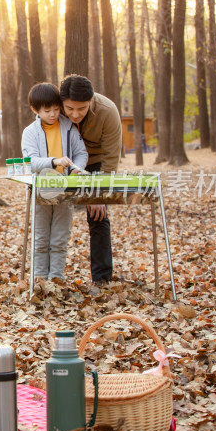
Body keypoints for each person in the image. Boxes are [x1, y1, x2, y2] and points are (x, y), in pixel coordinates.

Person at [58, 74, 122, 284]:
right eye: (69, 109)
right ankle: (51, 277)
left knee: (98, 216)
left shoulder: (108, 111)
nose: (75, 114)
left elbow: (111, 157)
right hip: (64, 160)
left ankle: (102, 278)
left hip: (97, 163)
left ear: (91, 101)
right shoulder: (54, 107)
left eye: (81, 109)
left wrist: (99, 194)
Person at [21, 83, 88, 280]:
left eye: (57, 109)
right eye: (47, 110)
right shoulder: (30, 132)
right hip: (41, 192)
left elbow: (81, 153)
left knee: (59, 238)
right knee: (41, 239)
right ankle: (39, 281)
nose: (53, 114)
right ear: (35, 110)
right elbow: (30, 162)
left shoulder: (69, 127)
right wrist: (54, 161)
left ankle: (56, 279)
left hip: (65, 191)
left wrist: (77, 168)